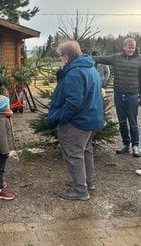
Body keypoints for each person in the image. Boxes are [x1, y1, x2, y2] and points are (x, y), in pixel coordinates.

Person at [47, 40, 104, 201]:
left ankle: (80, 189)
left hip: (77, 122)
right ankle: (88, 182)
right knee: (86, 151)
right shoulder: (90, 68)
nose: (61, 60)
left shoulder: (73, 73)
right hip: (90, 118)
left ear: (66, 56)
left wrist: (61, 118)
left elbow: (73, 101)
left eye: (61, 57)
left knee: (74, 154)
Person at [94, 38, 141, 157]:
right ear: (124, 47)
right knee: (122, 121)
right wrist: (85, 58)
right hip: (119, 94)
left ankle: (136, 145)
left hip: (132, 94)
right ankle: (126, 144)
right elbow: (101, 58)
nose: (131, 50)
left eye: (133, 48)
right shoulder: (116, 58)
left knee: (133, 122)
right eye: (129, 47)